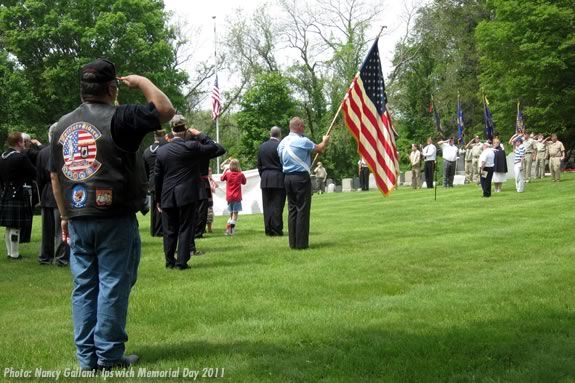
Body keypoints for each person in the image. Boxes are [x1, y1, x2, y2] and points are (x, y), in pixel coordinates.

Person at [49, 58, 175, 370]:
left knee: (84, 286)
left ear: (82, 90)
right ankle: (108, 355)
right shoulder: (122, 117)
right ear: (111, 87)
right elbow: (165, 110)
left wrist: (65, 216)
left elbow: (55, 176)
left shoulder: (60, 126)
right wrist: (143, 80)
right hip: (114, 216)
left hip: (77, 216)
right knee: (113, 283)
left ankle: (87, 359)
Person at [155, 115, 220, 269]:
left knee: (169, 230)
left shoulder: (162, 151)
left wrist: (158, 199)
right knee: (185, 228)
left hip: (167, 194)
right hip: (187, 194)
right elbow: (213, 147)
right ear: (185, 129)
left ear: (172, 129)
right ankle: (182, 261)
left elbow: (157, 177)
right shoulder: (192, 146)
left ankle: (169, 261)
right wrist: (200, 134)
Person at [277, 116, 329, 250]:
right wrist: (325, 140)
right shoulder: (303, 141)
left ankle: (293, 243)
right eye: (303, 125)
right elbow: (319, 148)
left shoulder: (282, 143)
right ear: (298, 126)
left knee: (292, 210)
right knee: (302, 210)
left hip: (287, 178)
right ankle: (301, 244)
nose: (304, 128)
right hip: (300, 177)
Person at [0, 132, 36, 260]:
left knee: (9, 226)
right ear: (19, 142)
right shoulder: (20, 157)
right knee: (15, 226)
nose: (23, 144)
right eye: (22, 141)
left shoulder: (2, 156)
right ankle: (15, 255)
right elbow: (34, 172)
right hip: (18, 193)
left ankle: (10, 253)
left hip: (6, 193)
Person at [37, 123, 69, 266]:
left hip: (45, 193)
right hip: (58, 191)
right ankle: (61, 258)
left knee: (47, 230)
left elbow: (38, 176)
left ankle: (45, 256)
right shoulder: (62, 150)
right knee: (60, 229)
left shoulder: (42, 152)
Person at [194, 127, 226, 239]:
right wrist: (203, 135)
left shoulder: (186, 149)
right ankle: (198, 231)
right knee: (202, 207)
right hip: (202, 181)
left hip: (190, 180)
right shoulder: (204, 150)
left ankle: (194, 230)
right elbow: (221, 149)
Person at [257, 126, 286, 236]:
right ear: (280, 135)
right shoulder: (281, 145)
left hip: (265, 178)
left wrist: (263, 175)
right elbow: (284, 162)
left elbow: (259, 165)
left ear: (270, 133)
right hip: (278, 177)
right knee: (277, 205)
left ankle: (268, 229)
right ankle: (276, 229)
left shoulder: (262, 147)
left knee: (267, 205)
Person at [142, 129, 165, 237]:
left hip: (151, 182)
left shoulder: (147, 151)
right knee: (162, 206)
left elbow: (145, 169)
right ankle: (161, 229)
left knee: (154, 207)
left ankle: (154, 229)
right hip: (162, 180)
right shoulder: (164, 149)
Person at [221, 158, 247, 235]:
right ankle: (230, 230)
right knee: (235, 215)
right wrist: (240, 171)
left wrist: (225, 170)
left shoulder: (228, 174)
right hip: (237, 197)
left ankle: (229, 230)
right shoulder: (240, 175)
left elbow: (222, 178)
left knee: (231, 213)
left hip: (229, 197)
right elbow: (244, 182)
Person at [206, 167, 217, 233]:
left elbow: (216, 186)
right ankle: (203, 228)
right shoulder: (204, 180)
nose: (210, 173)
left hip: (210, 200)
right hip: (205, 199)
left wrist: (212, 179)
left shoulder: (210, 180)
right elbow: (212, 188)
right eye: (209, 171)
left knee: (210, 214)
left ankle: (209, 228)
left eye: (210, 171)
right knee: (204, 214)